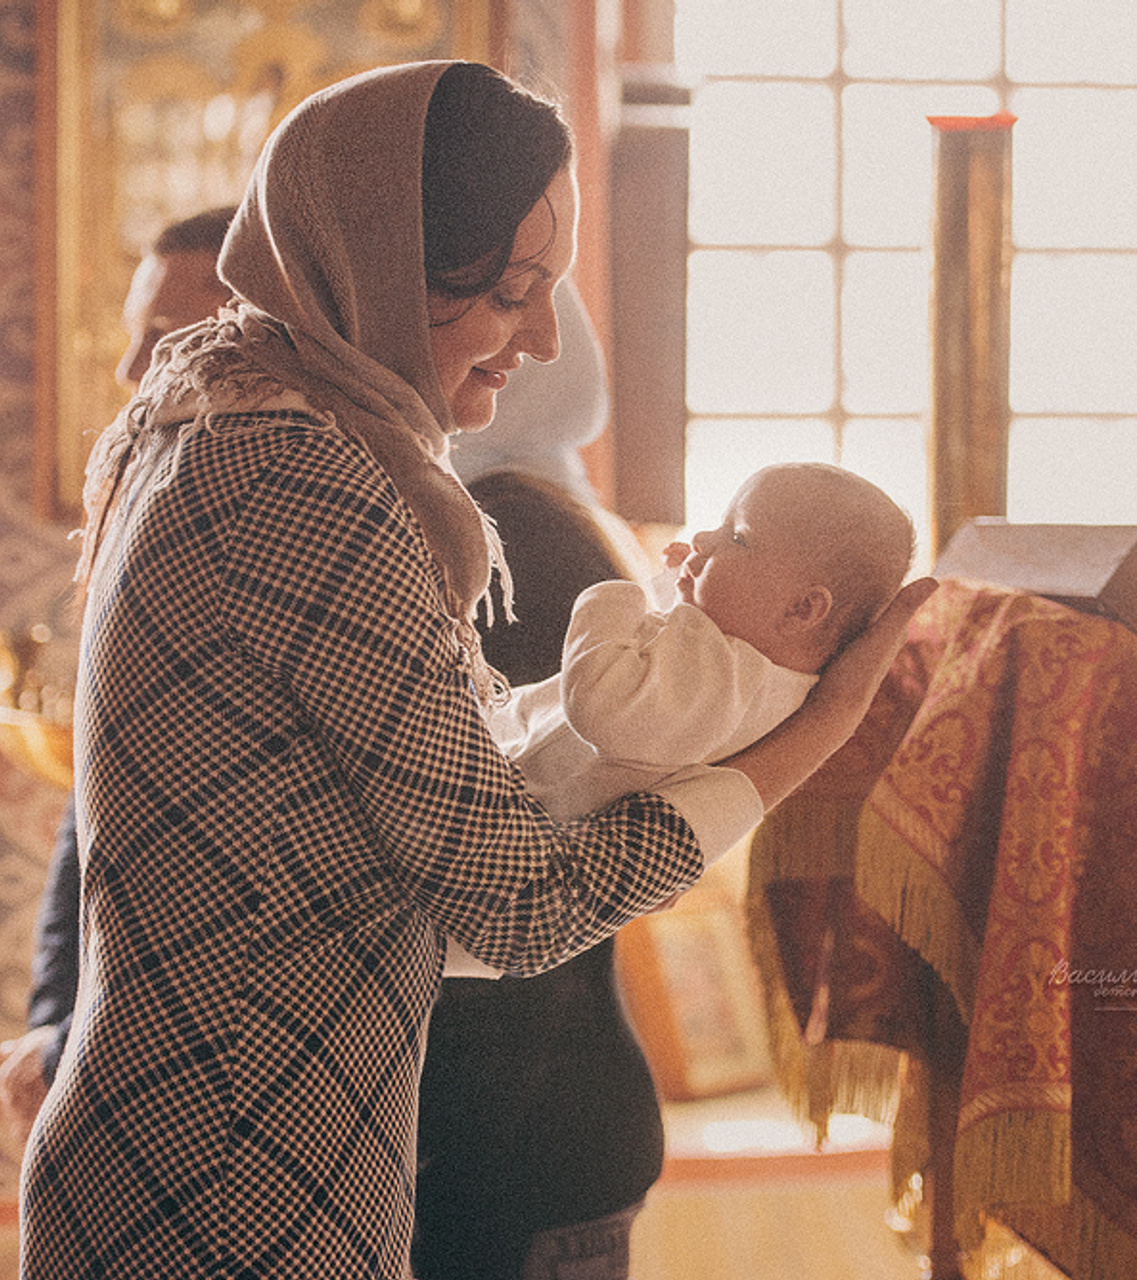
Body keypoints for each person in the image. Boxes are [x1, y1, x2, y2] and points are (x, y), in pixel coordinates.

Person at [19, 60, 933, 1279]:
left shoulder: (218, 421)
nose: (544, 339)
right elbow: (513, 905)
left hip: (208, 1143)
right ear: (385, 264)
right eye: (510, 291)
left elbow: (373, 877)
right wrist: (803, 741)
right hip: (240, 1173)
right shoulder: (300, 478)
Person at [413, 281, 667, 1280]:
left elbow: (495, 855)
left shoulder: (508, 535)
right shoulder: (544, 506)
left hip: (507, 1127)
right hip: (528, 1112)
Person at [0, 205, 237, 1147]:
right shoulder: (144, 524)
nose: (129, 374)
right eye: (132, 338)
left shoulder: (298, 541)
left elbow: (205, 875)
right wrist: (52, 1028)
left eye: (163, 341)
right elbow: (90, 826)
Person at [486, 462, 915, 826]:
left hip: (509, 807)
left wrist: (609, 596)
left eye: (738, 537)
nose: (704, 540)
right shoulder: (740, 668)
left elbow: (601, 705)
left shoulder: (732, 681)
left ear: (802, 610)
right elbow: (660, 662)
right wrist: (683, 586)